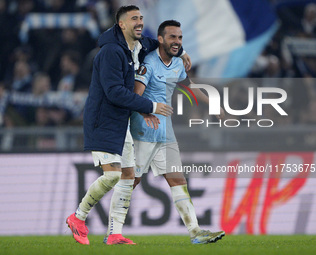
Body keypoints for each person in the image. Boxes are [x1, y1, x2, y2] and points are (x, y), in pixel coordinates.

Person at [66, 6, 191, 245]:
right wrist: (149, 106)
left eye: (141, 18)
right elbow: (114, 93)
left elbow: (159, 43)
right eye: (134, 19)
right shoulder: (111, 53)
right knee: (113, 175)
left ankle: (114, 233)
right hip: (103, 120)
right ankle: (78, 217)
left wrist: (182, 51)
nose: (140, 22)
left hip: (120, 121)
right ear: (121, 24)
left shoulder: (138, 46)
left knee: (128, 175)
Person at [106, 20, 225, 245]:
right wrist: (145, 113)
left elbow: (188, 85)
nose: (177, 42)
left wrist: (211, 104)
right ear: (160, 39)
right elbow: (136, 95)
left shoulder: (177, 64)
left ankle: (195, 232)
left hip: (166, 133)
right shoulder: (149, 64)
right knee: (131, 181)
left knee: (178, 179)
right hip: (144, 132)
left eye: (180, 38)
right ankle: (114, 232)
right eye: (172, 37)